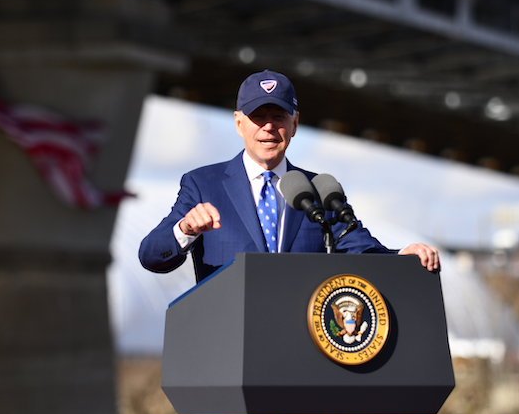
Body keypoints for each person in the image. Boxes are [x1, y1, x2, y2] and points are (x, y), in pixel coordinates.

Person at [139, 69, 440, 282]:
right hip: (229, 346)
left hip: (302, 350)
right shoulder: (203, 185)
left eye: (278, 116)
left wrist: (403, 255)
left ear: (295, 124)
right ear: (239, 123)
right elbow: (152, 256)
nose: (268, 127)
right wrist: (186, 229)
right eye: (258, 116)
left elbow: (360, 250)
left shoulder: (320, 189)